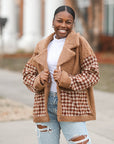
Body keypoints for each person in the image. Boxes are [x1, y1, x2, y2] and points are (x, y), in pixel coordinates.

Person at [23, 5, 100, 144]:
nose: (63, 25)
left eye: (68, 22)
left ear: (73, 24)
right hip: (44, 106)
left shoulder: (80, 43)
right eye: (60, 20)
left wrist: (68, 80)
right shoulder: (42, 45)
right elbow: (27, 74)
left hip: (71, 105)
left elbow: (93, 74)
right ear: (53, 22)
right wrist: (38, 80)